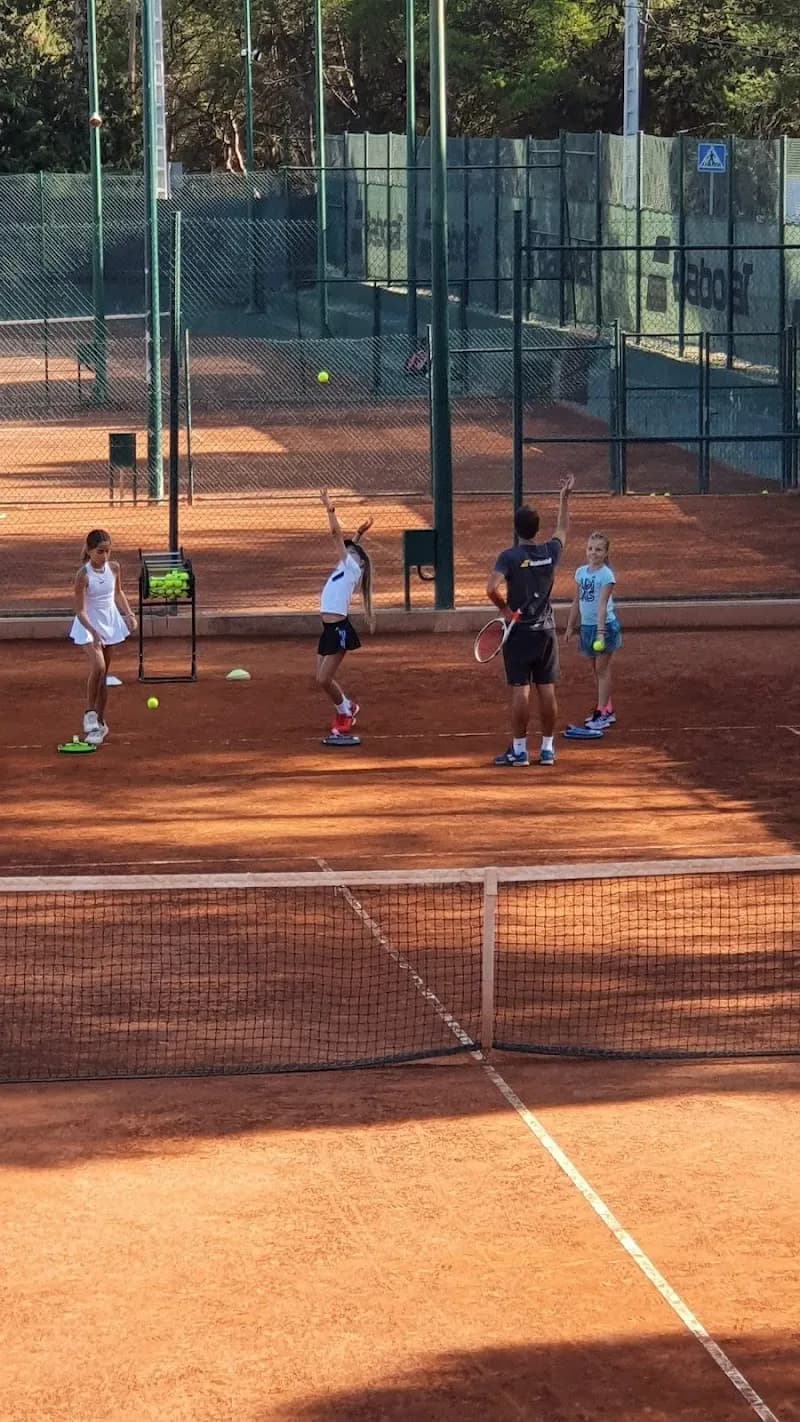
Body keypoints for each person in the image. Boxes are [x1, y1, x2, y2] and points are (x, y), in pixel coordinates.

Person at [486, 475, 574, 767]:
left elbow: (491, 588)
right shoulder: (550, 552)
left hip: (518, 633)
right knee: (547, 688)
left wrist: (506, 611)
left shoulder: (508, 557)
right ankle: (547, 749)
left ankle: (520, 751)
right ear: (537, 529)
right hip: (546, 632)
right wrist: (564, 497)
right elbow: (562, 529)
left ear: (516, 529)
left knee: (520, 689)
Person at [69, 529, 137, 746]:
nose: (105, 556)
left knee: (104, 675)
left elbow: (118, 593)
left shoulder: (115, 568)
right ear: (89, 551)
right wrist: (94, 631)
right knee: (97, 667)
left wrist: (129, 614)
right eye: (100, 552)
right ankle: (89, 712)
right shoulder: (83, 575)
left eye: (108, 551)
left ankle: (100, 723)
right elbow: (80, 611)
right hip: (88, 624)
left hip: (110, 623)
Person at [318, 489, 375, 738]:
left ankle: (345, 712)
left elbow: (336, 535)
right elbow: (351, 544)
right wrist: (360, 533)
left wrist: (330, 509)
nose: (347, 550)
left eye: (352, 552)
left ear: (359, 563)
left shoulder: (352, 568)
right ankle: (347, 706)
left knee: (322, 679)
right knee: (320, 677)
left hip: (339, 630)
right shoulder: (348, 565)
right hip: (329, 629)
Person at [565, 531, 622, 731]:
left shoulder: (607, 575)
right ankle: (607, 707)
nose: (593, 553)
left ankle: (602, 713)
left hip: (604, 627)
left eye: (598, 549)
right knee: (595, 670)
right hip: (587, 628)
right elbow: (576, 601)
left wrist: (600, 632)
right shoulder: (580, 572)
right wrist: (571, 625)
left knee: (602, 670)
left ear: (606, 553)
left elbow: (602, 604)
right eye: (590, 548)